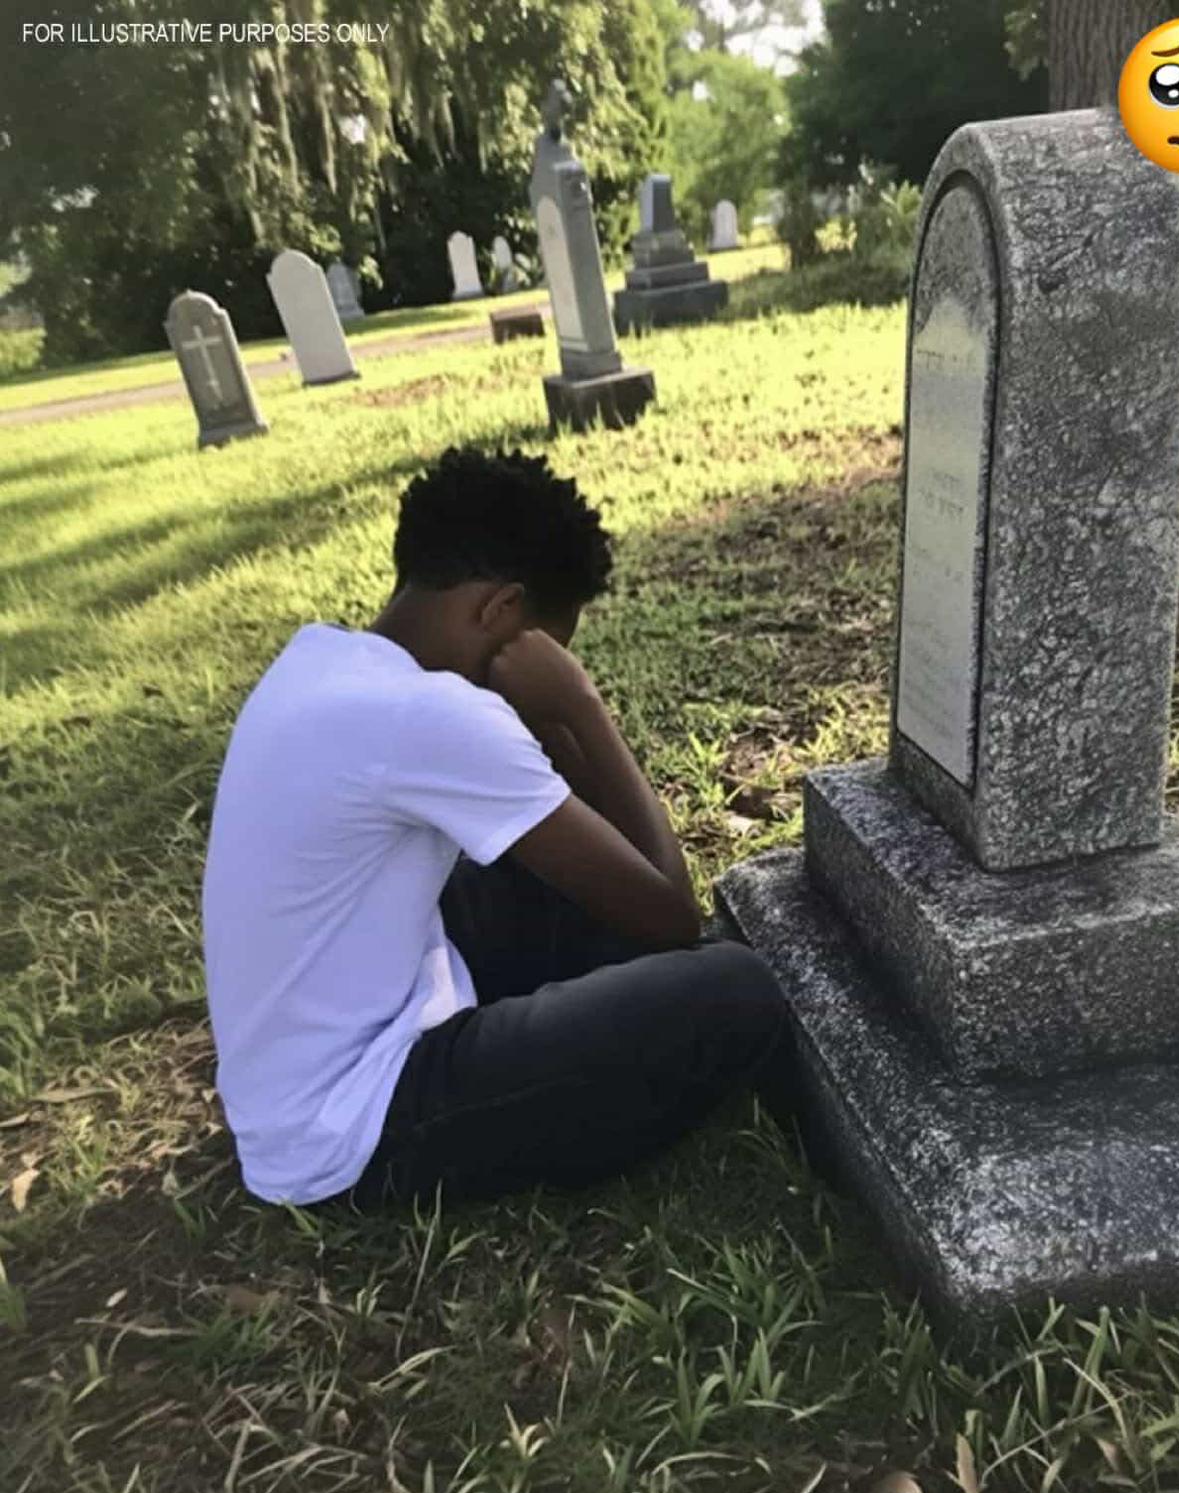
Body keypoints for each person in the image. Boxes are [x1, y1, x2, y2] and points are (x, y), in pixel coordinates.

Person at [202, 447, 795, 1211]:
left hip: (300, 1081)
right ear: (500, 611)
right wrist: (580, 706)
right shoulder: (434, 715)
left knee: (543, 869)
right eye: (554, 643)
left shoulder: (323, 663)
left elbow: (598, 865)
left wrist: (543, 728)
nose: (555, 663)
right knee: (732, 988)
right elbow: (671, 918)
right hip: (355, 1130)